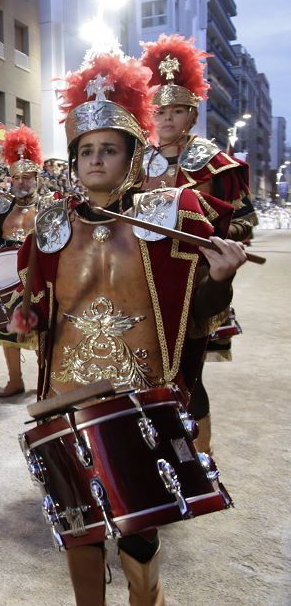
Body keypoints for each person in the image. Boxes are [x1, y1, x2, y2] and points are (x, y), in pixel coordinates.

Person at [7, 50, 247, 606]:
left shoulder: (171, 211)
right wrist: (26, 315)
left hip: (137, 394)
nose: (95, 159)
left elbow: (195, 308)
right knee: (77, 522)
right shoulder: (51, 222)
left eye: (108, 149)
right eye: (85, 150)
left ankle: (148, 599)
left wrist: (221, 279)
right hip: (66, 393)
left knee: (138, 527)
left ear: (133, 156)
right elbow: (36, 303)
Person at [139, 35, 257, 456]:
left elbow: (245, 221)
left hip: (197, 282)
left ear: (191, 113)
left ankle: (200, 457)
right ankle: (158, 456)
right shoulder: (138, 161)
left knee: (190, 373)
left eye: (176, 111)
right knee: (151, 370)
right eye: (160, 111)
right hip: (147, 282)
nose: (167, 119)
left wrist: (212, 235)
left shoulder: (213, 162)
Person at [0, 125, 44, 397]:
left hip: (37, 273)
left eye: (28, 178)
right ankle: (15, 380)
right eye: (17, 178)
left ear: (37, 178)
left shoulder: (48, 204)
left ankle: (44, 381)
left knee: (41, 329)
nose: (22, 183)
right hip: (6, 275)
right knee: (6, 328)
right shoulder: (2, 206)